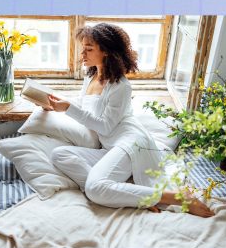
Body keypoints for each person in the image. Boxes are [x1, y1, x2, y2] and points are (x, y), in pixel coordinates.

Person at [46, 23, 214, 218]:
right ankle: (132, 195)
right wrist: (55, 105)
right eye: (83, 47)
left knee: (94, 189)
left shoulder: (120, 86)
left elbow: (106, 127)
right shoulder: (90, 76)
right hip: (110, 148)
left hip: (131, 142)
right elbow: (86, 105)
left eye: (89, 48)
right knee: (59, 155)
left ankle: (173, 197)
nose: (82, 53)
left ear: (107, 52)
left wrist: (68, 109)